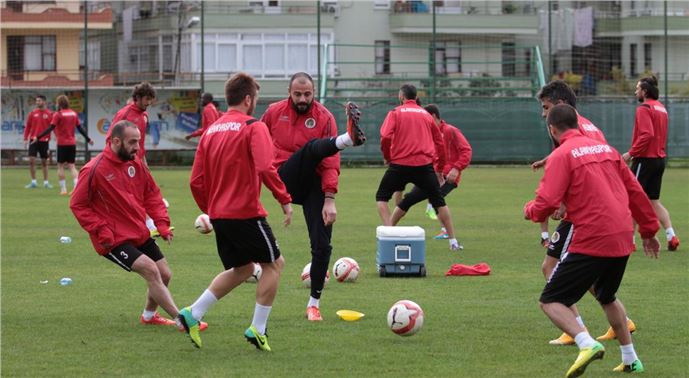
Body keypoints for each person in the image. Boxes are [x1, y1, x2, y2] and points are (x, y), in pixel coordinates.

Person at [524, 104, 660, 377]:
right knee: (607, 296)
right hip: (622, 235)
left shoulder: (562, 154)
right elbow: (635, 191)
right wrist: (648, 230)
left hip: (593, 236)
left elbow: (547, 201)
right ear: (577, 122)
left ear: (552, 129)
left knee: (551, 300)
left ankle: (585, 343)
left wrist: (531, 210)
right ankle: (630, 358)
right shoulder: (607, 149)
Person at [179, 73, 292, 351]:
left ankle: (193, 313)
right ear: (248, 99)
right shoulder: (254, 126)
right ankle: (258, 328)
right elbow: (266, 168)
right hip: (245, 213)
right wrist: (284, 199)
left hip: (219, 215)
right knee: (274, 265)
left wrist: (211, 208)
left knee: (242, 269)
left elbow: (196, 180)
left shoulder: (210, 131)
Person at [69, 120, 204, 332]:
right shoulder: (93, 169)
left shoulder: (135, 163)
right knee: (151, 270)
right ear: (115, 141)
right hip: (112, 239)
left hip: (137, 231)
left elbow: (151, 194)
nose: (137, 147)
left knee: (165, 274)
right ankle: (182, 320)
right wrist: (100, 229)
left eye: (139, 142)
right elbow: (77, 204)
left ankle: (149, 316)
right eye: (132, 142)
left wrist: (162, 224)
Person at [533, 80, 637, 345]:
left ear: (560, 105)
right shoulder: (586, 124)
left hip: (587, 215)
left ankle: (576, 332)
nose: (544, 115)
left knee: (551, 267)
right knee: (588, 275)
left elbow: (587, 169)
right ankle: (622, 323)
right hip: (603, 214)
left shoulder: (573, 129)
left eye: (546, 108)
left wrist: (565, 205)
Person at [259, 72, 365, 322]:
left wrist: (330, 198)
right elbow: (256, 142)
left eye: (307, 94)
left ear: (314, 93)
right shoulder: (273, 112)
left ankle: (313, 304)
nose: (303, 98)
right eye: (297, 94)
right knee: (309, 150)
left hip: (314, 184)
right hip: (285, 176)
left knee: (322, 245)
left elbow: (330, 161)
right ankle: (348, 139)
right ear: (289, 91)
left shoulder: (324, 117)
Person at [377, 84, 460, 251]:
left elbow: (385, 136)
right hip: (424, 166)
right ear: (415, 97)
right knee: (439, 202)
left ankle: (390, 237)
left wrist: (387, 156)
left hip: (400, 164)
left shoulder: (395, 112)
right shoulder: (426, 115)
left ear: (401, 96)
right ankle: (453, 242)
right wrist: (439, 169)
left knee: (381, 198)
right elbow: (439, 143)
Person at [394, 104, 472, 243]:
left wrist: (456, 168)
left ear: (434, 116)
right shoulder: (427, 134)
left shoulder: (450, 130)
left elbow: (466, 150)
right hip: (430, 175)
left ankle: (448, 235)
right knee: (412, 199)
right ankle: (388, 229)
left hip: (447, 176)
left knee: (432, 199)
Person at [622, 75, 680, 251]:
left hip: (644, 161)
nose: (635, 91)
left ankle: (629, 241)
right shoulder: (661, 108)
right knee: (654, 201)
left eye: (637, 88)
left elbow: (647, 135)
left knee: (631, 199)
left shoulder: (644, 108)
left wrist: (631, 154)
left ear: (645, 91)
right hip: (659, 160)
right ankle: (672, 235)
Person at [32, 95, 93, 195]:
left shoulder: (58, 114)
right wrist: (88, 139)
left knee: (60, 166)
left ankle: (63, 190)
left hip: (62, 144)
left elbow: (50, 128)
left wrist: (38, 137)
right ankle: (76, 188)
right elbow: (80, 128)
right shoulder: (73, 114)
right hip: (72, 143)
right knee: (72, 166)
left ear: (59, 104)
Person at [23, 95, 53, 189]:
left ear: (44, 101)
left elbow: (53, 127)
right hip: (33, 140)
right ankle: (33, 182)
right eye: (36, 101)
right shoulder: (32, 113)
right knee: (31, 161)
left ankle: (46, 182)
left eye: (39, 101)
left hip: (44, 141)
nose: (37, 102)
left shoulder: (50, 114)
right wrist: (25, 138)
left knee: (44, 162)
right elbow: (28, 127)